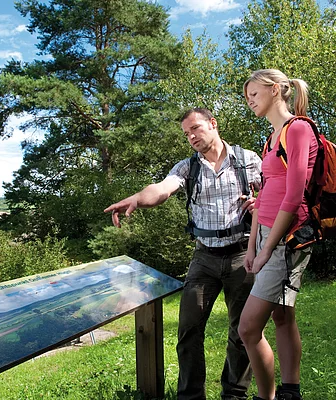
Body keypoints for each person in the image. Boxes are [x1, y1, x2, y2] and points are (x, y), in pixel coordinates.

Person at [104, 108, 262, 400]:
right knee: (189, 331)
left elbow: (271, 196)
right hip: (204, 258)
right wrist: (138, 199)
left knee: (242, 332)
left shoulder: (248, 159)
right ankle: (190, 397)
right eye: (187, 133)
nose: (191, 137)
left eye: (196, 128)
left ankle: (235, 394)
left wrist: (258, 203)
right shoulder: (188, 167)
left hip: (243, 255)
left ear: (213, 124)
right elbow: (162, 189)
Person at [239, 69, 318, 400]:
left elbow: (295, 194)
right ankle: (290, 392)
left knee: (247, 328)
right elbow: (266, 194)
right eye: (246, 97)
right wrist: (251, 246)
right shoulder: (272, 138)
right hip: (266, 235)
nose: (250, 101)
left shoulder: (298, 129)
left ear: (274, 90)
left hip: (287, 238)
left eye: (254, 93)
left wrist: (268, 249)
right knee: (282, 316)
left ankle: (266, 396)